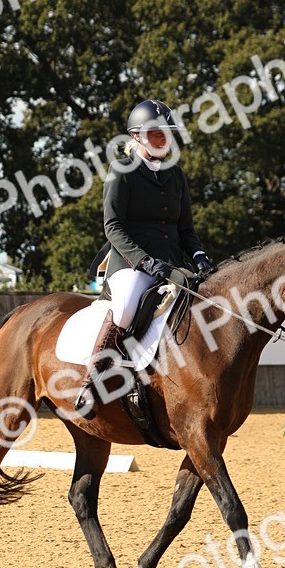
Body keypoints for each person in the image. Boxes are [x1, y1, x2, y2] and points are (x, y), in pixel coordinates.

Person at [74, 99, 213, 418]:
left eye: (166, 133)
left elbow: (186, 228)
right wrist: (143, 261)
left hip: (173, 265)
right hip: (129, 264)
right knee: (125, 307)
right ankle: (91, 383)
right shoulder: (122, 171)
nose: (163, 139)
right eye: (155, 133)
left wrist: (200, 255)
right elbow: (113, 226)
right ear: (136, 136)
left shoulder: (175, 175)